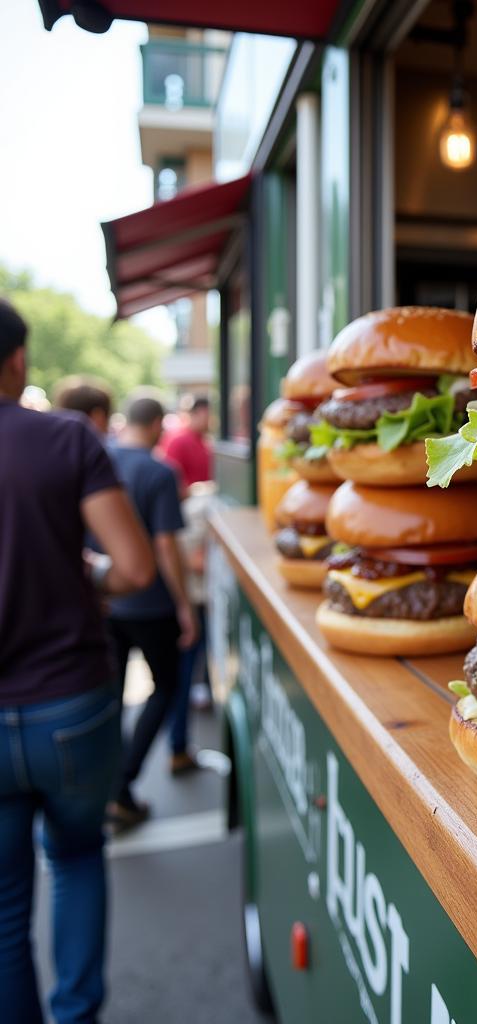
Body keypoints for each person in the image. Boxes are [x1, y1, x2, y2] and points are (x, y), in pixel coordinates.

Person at [0, 299, 154, 1024]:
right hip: (71, 702)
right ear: (18, 359)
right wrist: (87, 576)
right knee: (76, 858)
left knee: (3, 909)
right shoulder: (65, 439)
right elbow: (133, 568)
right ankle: (77, 1015)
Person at [101, 396, 197, 826]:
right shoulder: (158, 471)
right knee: (166, 687)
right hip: (151, 602)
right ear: (157, 423)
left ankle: (108, 786)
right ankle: (122, 785)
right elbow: (164, 545)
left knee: (112, 696)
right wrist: (183, 604)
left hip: (106, 597)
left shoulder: (99, 460)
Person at [167, 480, 216, 774]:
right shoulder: (197, 512)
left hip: (191, 601)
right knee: (184, 675)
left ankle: (178, 743)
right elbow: (197, 562)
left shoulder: (189, 509)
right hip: (197, 603)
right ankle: (178, 744)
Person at [160, 393, 212, 487]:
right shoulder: (178, 440)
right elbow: (172, 480)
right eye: (207, 415)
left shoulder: (204, 440)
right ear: (196, 413)